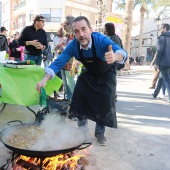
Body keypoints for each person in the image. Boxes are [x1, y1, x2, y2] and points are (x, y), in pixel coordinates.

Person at [36, 16, 127, 146]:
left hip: (107, 74)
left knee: (104, 102)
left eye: (83, 29)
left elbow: (122, 52)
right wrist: (45, 79)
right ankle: (82, 131)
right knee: (79, 98)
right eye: (77, 31)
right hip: (88, 72)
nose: (81, 34)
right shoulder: (73, 45)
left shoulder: (100, 40)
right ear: (73, 33)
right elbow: (58, 62)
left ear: (90, 29)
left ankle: (100, 133)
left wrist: (115, 56)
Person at [154, 23, 170, 103]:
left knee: (167, 80)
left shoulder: (162, 38)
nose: (160, 29)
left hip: (163, 62)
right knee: (161, 78)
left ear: (165, 28)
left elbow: (159, 51)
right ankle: (155, 94)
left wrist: (157, 63)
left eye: (161, 28)